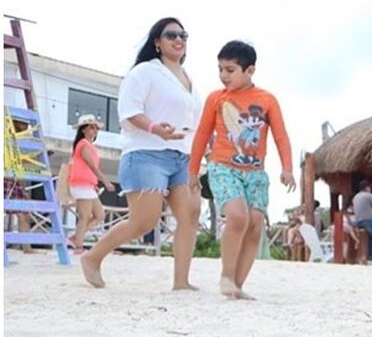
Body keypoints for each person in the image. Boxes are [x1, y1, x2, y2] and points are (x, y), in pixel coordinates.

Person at [80, 17, 202, 289]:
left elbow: (196, 121)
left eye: (183, 34)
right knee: (143, 222)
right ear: (157, 42)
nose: (178, 39)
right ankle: (92, 257)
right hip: (146, 153)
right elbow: (129, 111)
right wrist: (154, 127)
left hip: (181, 156)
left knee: (190, 215)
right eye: (171, 35)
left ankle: (181, 282)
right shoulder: (144, 72)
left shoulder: (188, 80)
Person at [189, 40, 294, 299]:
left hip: (256, 172)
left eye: (230, 70)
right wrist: (192, 170)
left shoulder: (267, 100)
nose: (223, 75)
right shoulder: (216, 98)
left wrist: (287, 168)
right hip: (223, 166)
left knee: (256, 225)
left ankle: (237, 284)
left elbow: (281, 136)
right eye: (220, 69)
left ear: (250, 71)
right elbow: (202, 134)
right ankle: (226, 276)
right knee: (237, 218)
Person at [67, 114, 115, 254]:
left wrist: (94, 182)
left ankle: (76, 237)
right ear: (83, 129)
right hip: (81, 184)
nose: (95, 130)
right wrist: (106, 181)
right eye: (91, 128)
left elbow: (89, 168)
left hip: (86, 184)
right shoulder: (83, 144)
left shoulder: (87, 145)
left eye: (95, 128)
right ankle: (78, 246)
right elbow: (92, 166)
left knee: (100, 215)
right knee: (85, 216)